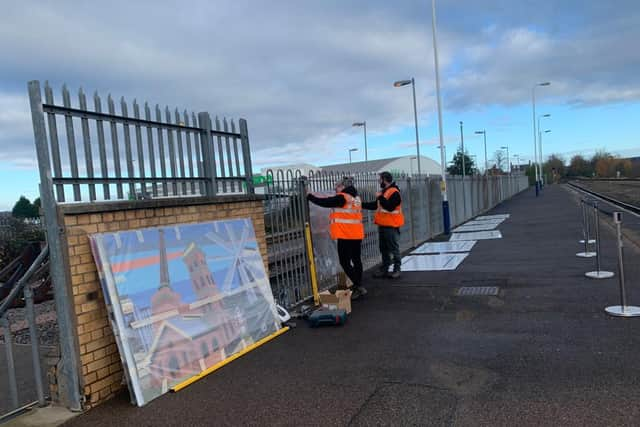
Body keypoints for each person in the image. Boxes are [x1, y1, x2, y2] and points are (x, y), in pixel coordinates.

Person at [306, 177, 367, 299]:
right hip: (356, 234)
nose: (335, 188)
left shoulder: (343, 197)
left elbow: (326, 202)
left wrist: (310, 196)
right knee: (356, 260)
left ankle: (358, 285)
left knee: (344, 262)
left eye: (337, 186)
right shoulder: (356, 198)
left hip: (346, 235)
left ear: (343, 187)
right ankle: (358, 284)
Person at [362, 171, 404, 279]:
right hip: (383, 225)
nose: (378, 181)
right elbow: (375, 205)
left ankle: (397, 269)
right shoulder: (384, 192)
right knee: (383, 248)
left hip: (391, 225)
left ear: (384, 180)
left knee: (393, 248)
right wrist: (360, 204)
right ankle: (385, 268)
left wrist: (380, 197)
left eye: (380, 179)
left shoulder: (394, 192)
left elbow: (389, 207)